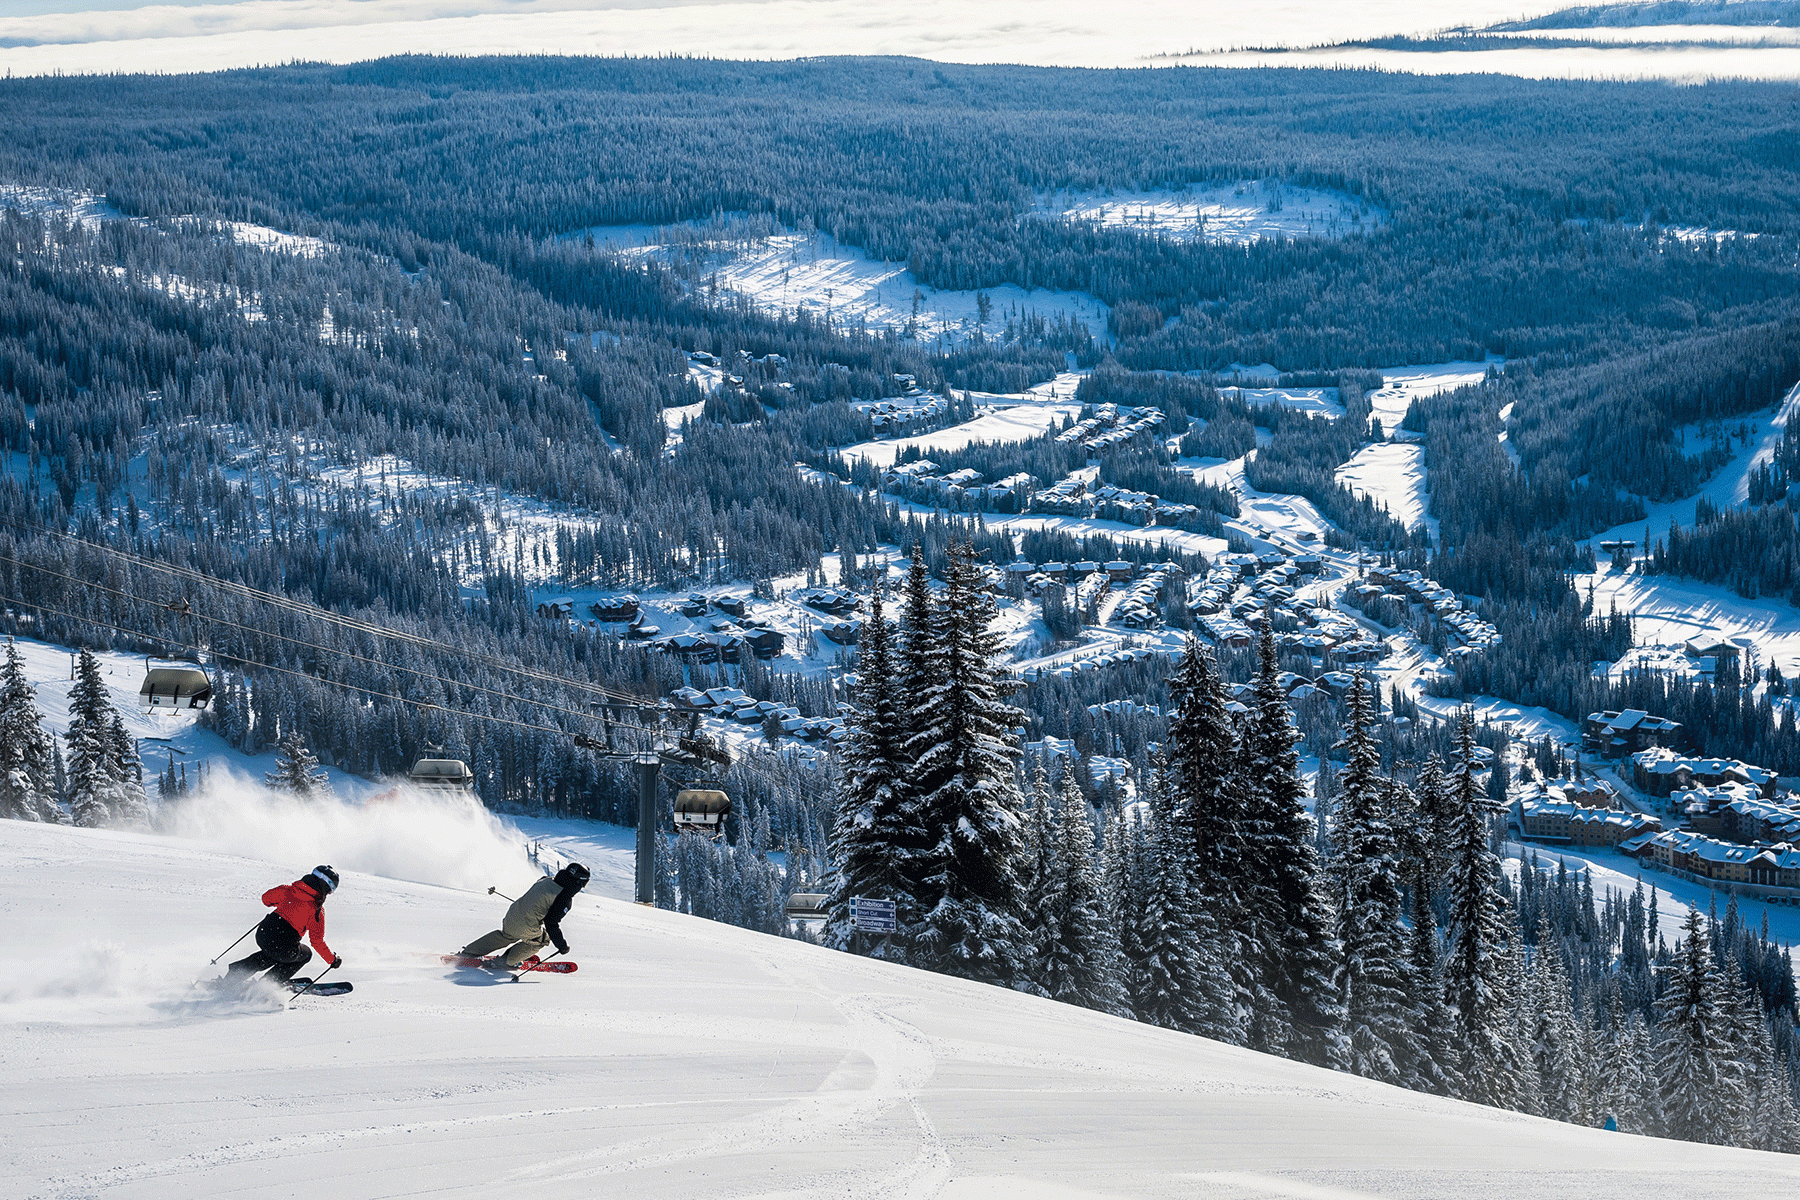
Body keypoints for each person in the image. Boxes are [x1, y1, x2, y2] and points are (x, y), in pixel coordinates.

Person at [226, 865, 342, 986]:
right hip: (284, 946)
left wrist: (284, 904)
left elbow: (265, 899)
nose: (328, 894)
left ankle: (236, 972)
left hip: (263, 934)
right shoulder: (317, 911)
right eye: (330, 891)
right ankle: (267, 984)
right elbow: (316, 941)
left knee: (272, 953)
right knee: (305, 954)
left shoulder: (288, 890)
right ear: (325, 887)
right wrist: (332, 960)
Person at [460, 863, 588, 967]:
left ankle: (469, 952)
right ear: (578, 882)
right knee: (542, 940)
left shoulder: (546, 879)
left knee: (507, 935)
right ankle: (507, 961)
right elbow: (551, 923)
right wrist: (562, 946)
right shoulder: (564, 898)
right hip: (525, 925)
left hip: (512, 915)